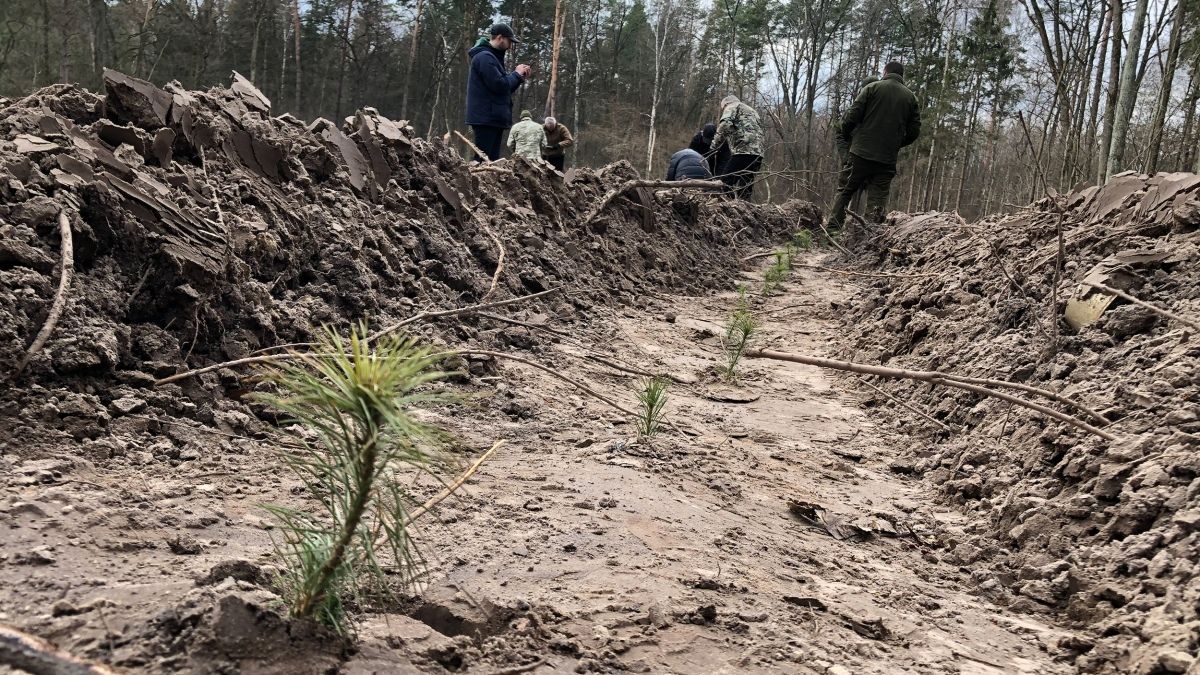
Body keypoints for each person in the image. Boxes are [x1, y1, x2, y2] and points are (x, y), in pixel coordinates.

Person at [827, 62, 920, 228]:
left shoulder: (872, 88)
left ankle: (832, 232)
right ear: (901, 75)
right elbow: (914, 132)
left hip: (860, 153)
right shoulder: (911, 98)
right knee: (877, 200)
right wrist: (895, 144)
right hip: (887, 159)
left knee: (845, 191)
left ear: (885, 71)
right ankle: (869, 239)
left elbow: (851, 117)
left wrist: (851, 137)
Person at [465, 23, 531, 161]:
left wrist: (519, 78)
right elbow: (499, 85)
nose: (510, 45)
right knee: (482, 160)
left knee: (492, 160)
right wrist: (516, 74)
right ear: (500, 38)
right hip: (486, 118)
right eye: (509, 41)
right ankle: (473, 182)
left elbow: (504, 89)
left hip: (492, 117)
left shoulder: (493, 58)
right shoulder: (485, 57)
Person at [710, 95, 765, 200]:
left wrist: (714, 145)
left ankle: (724, 206)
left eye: (723, 109)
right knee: (746, 187)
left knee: (725, 182)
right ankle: (743, 209)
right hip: (758, 153)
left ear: (725, 104)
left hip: (743, 150)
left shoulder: (732, 106)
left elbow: (725, 124)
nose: (723, 110)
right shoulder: (752, 111)